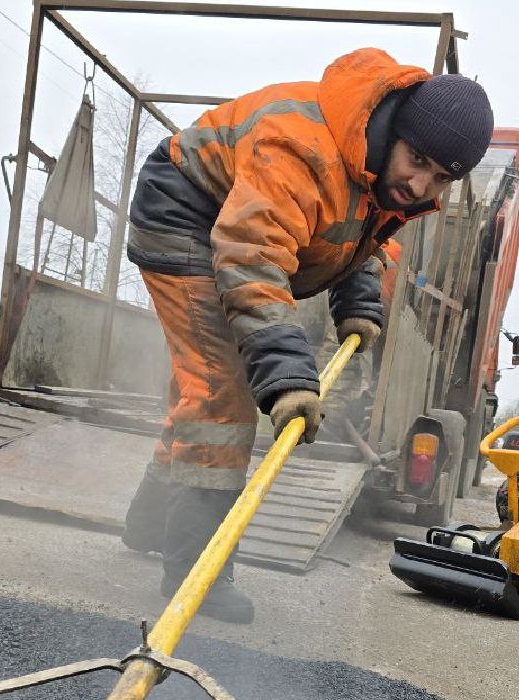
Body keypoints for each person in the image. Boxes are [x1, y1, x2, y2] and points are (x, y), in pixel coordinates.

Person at [121, 48, 495, 623]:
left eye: (440, 178)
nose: (419, 184)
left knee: (204, 386)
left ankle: (150, 526)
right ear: (395, 130)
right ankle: (195, 577)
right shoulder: (302, 146)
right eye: (416, 160)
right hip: (185, 215)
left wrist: (358, 302)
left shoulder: (376, 164)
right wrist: (287, 377)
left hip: (229, 228)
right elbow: (251, 253)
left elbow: (354, 236)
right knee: (223, 395)